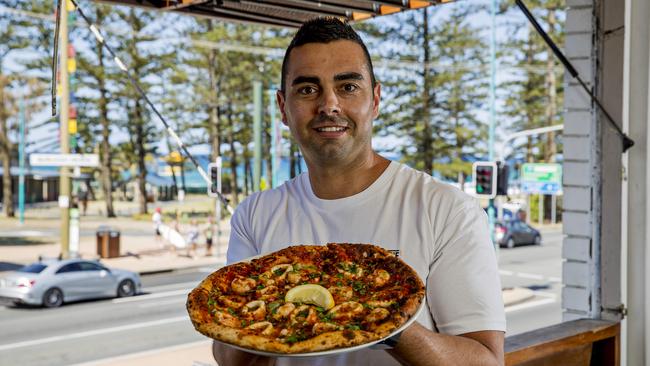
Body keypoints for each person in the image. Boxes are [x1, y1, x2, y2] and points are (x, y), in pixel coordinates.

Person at [213, 17, 506, 366]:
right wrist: (267, 306)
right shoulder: (254, 215)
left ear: (376, 99)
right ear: (283, 108)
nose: (329, 105)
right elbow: (229, 357)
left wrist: (382, 318)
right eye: (307, 89)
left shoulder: (445, 210)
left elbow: (486, 360)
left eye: (348, 86)